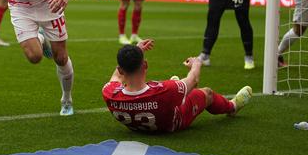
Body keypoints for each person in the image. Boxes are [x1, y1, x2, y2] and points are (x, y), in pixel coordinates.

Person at [102, 42, 252, 133]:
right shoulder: (165, 90)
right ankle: (232, 106)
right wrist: (196, 64)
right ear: (145, 65)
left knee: (167, 87)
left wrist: (136, 50)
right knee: (207, 93)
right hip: (174, 120)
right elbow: (193, 80)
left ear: (121, 70)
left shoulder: (108, 92)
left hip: (138, 123)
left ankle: (179, 89)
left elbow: (115, 77)